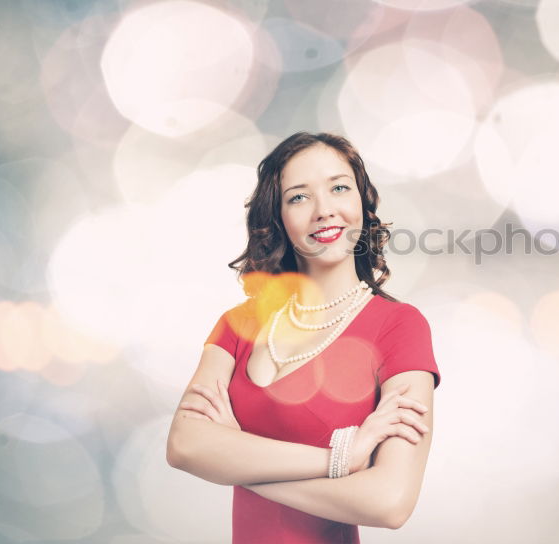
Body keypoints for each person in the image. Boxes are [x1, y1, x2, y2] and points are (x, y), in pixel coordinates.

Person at [166, 132, 442, 543]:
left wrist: (237, 462)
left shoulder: (399, 327)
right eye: (298, 197)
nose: (323, 210)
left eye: (339, 188)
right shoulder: (236, 326)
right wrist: (341, 459)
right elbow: (185, 446)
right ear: (277, 218)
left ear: (362, 205)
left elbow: (390, 501)